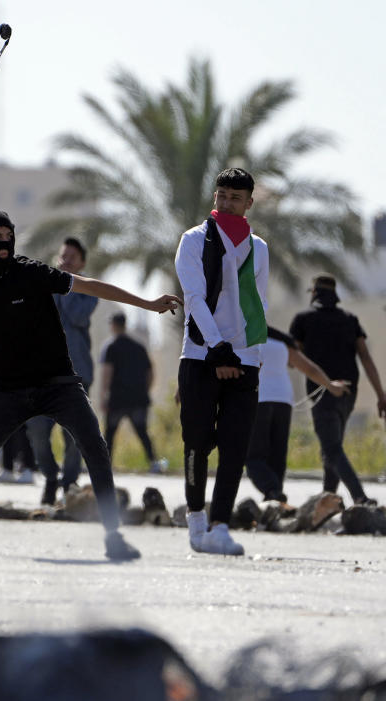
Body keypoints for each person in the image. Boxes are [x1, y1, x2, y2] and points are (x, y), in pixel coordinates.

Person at [0, 210, 182, 560]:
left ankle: (114, 537)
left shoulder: (31, 272)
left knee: (95, 450)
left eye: (9, 236)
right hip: (6, 393)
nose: (4, 244)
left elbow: (90, 285)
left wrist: (146, 303)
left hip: (59, 385)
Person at [175, 167, 268, 556]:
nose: (227, 202)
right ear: (215, 197)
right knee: (197, 443)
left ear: (248, 203)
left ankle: (220, 525)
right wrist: (217, 349)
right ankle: (196, 518)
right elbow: (194, 298)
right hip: (200, 354)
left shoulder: (258, 247)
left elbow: (256, 306)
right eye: (222, 195)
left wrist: (248, 357)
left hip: (243, 359)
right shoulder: (194, 240)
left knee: (235, 446)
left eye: (235, 197)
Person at [289, 275, 386, 505]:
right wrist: (381, 394)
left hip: (323, 392)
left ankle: (360, 498)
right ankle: (328, 498)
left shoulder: (303, 320)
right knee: (332, 447)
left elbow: (293, 358)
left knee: (331, 449)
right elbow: (366, 358)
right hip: (348, 394)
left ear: (314, 293)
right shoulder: (350, 320)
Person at [25, 237, 97, 504]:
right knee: (37, 430)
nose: (65, 262)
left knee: (74, 436)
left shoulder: (88, 289)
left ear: (82, 263)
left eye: (71, 258)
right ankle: (50, 476)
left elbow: (78, 316)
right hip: (43, 373)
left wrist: (65, 285)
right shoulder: (43, 286)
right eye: (63, 257)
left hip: (76, 374)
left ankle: (68, 484)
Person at [246, 326, 350, 503]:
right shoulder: (281, 342)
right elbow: (310, 369)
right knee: (278, 454)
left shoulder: (243, 335)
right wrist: (331, 386)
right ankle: (276, 499)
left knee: (253, 457)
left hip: (258, 398)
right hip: (283, 400)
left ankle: (272, 490)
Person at [99, 312, 164, 473]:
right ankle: (154, 463)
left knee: (110, 434)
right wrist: (145, 391)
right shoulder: (139, 346)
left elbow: (107, 373)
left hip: (117, 399)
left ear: (114, 325)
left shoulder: (111, 347)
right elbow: (150, 373)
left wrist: (103, 397)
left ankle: (105, 466)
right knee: (143, 432)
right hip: (138, 398)